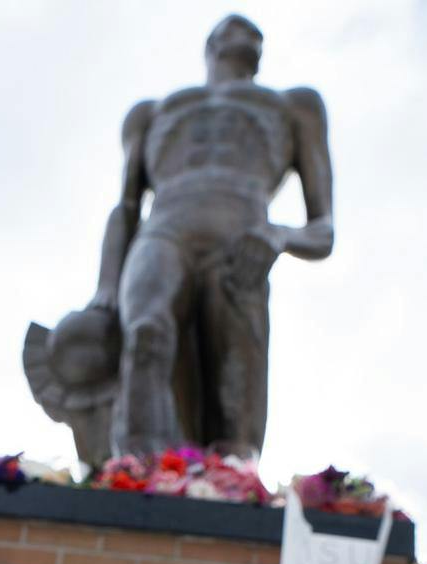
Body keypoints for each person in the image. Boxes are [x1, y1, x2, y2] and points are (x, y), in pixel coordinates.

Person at [89, 15, 334, 457]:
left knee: (233, 404)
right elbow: (126, 207)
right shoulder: (154, 112)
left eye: (258, 36)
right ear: (211, 44)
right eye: (237, 31)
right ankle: (136, 478)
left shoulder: (294, 106)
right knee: (145, 332)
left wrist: (278, 235)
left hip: (242, 240)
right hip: (165, 228)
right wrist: (106, 287)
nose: (248, 36)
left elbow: (324, 230)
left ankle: (228, 492)